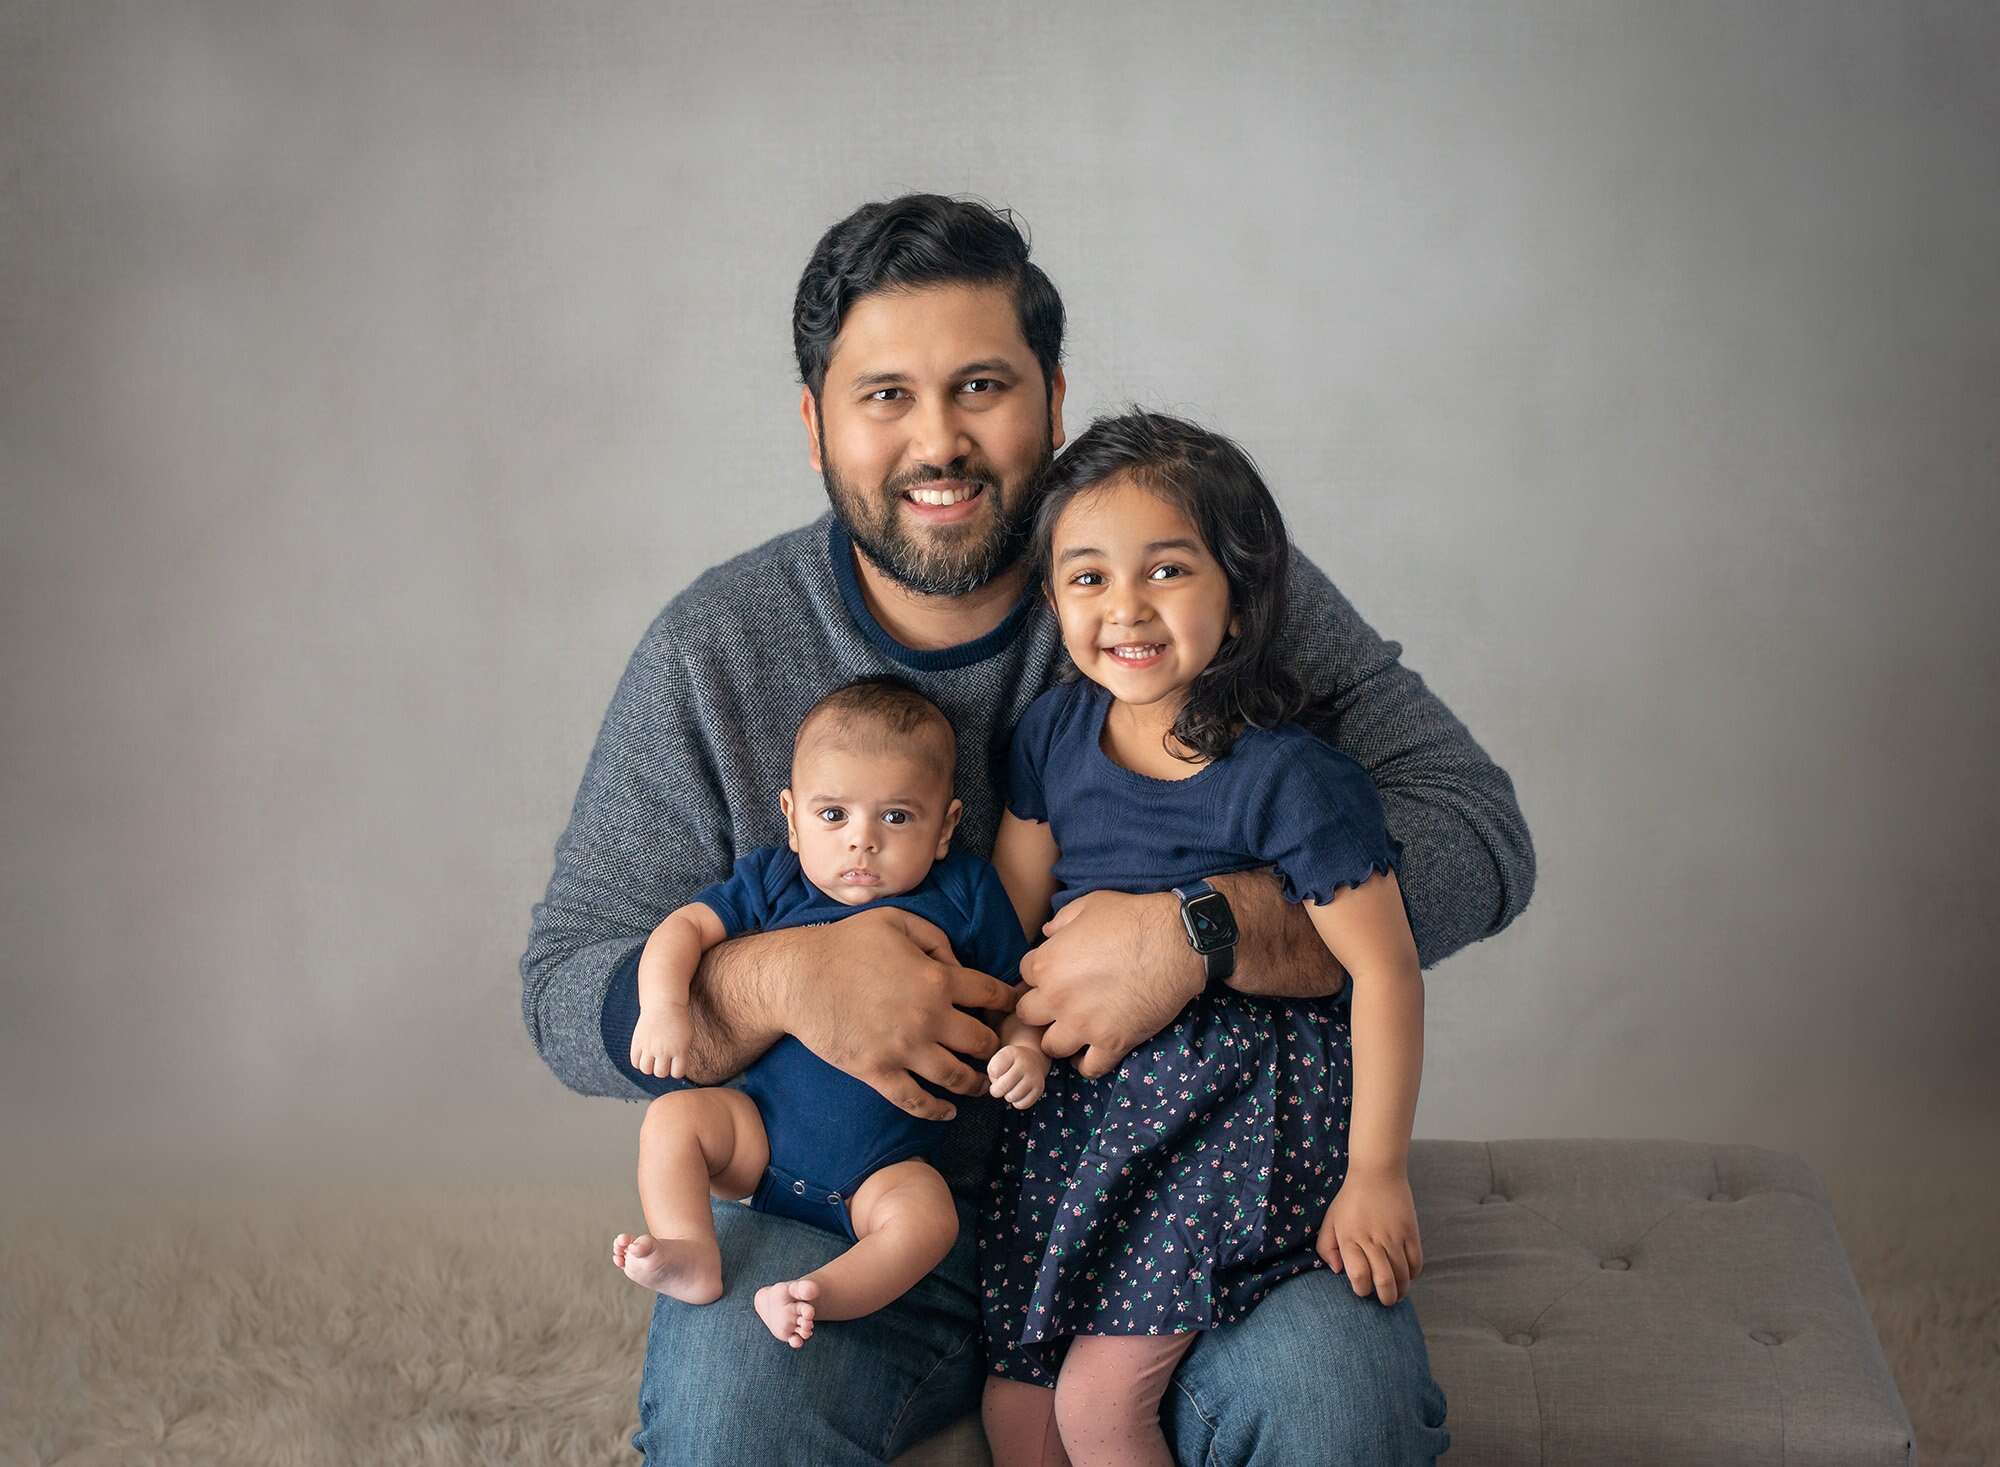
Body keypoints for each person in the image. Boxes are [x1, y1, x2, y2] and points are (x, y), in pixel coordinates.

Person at [521, 193, 1535, 1465]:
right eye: (883, 394)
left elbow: (1476, 833)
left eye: (981, 386)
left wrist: (1204, 933)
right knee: (726, 1416)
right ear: (814, 424)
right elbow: (564, 988)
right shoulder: (713, 651)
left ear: (1054, 401)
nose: (936, 441)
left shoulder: (1177, 580)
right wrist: (781, 975)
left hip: (1185, 1186)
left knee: (1336, 1409)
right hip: (851, 1211)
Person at [976, 412, 1427, 1467]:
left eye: (1165, 570)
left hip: (1232, 1117)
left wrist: (1377, 1173)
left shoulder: (1290, 780)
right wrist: (1013, 1034)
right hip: (1087, 1116)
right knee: (1016, 1410)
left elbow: (1385, 971)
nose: (1123, 608)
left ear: (1237, 595)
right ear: (1050, 598)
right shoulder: (1051, 738)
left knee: (1097, 1408)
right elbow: (1011, 919)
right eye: (1086, 578)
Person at [610, 678, 1037, 1349]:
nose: (860, 842)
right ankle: (690, 1248)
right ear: (791, 815)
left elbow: (1014, 993)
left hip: (884, 1168)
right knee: (673, 1119)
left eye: (896, 817)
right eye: (833, 815)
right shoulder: (777, 881)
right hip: (760, 1139)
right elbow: (683, 928)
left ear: (946, 824)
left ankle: (818, 1294)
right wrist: (664, 1006)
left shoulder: (966, 894)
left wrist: (1023, 1049)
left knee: (930, 1221)